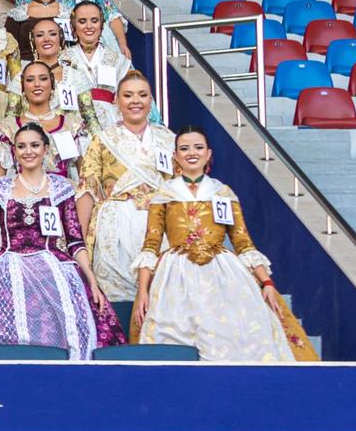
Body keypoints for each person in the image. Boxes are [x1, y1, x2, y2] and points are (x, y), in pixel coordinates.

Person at [133, 126, 315, 362]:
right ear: (175, 156)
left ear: (209, 154)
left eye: (198, 147)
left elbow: (243, 241)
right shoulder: (164, 195)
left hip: (222, 274)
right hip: (175, 277)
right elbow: (151, 243)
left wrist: (266, 282)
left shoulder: (223, 192)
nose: (192, 153)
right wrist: (142, 291)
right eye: (184, 148)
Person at [0, 123, 117, 358]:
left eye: (35, 145)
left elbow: (75, 240)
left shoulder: (60, 187)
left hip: (53, 268)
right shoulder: (2, 188)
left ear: (46, 149)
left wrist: (92, 280)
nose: (28, 152)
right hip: (7, 268)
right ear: (14, 151)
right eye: (22, 146)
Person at [79, 72, 179, 310]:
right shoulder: (102, 139)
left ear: (151, 101)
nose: (136, 101)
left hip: (160, 221)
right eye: (128, 95)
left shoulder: (169, 138)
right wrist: (80, 242)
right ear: (117, 102)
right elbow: (87, 189)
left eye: (142, 95)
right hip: (116, 223)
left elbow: (180, 185)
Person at [0, 60, 89, 180]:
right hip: (21, 196)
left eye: (43, 78)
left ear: (52, 85)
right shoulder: (8, 128)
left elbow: (87, 178)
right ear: (23, 87)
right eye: (30, 79)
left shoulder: (72, 125)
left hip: (64, 197)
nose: (37, 84)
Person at [59, 2, 133, 132]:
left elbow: (128, 96)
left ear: (101, 25)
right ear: (73, 26)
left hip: (112, 123)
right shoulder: (62, 59)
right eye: (82, 21)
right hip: (75, 122)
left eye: (94, 21)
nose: (89, 26)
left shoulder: (117, 59)